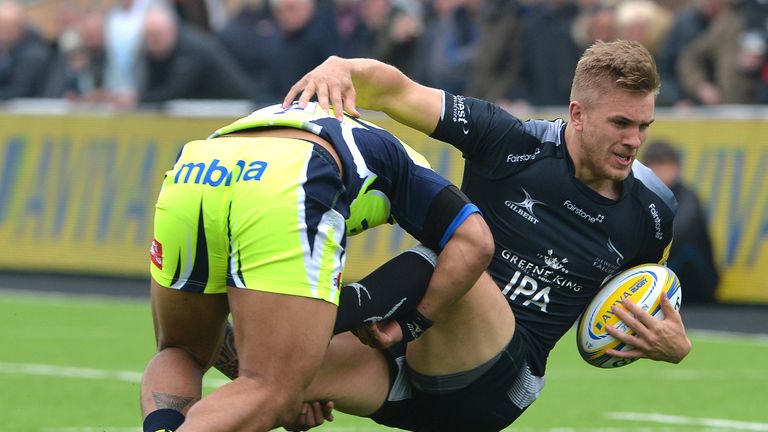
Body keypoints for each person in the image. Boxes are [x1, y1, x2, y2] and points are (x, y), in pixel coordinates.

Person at [214, 39, 693, 432]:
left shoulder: (652, 213)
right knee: (260, 380)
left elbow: (627, 309)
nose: (634, 140)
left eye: (644, 126)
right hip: (410, 365)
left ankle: (293, 313)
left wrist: (671, 344)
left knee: (460, 246)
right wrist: (341, 69)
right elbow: (397, 92)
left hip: (497, 385)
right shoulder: (513, 142)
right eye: (622, 123)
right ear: (579, 113)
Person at [140, 102, 493, 431]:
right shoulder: (410, 166)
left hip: (199, 164)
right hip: (291, 172)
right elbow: (475, 241)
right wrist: (411, 324)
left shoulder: (325, 123)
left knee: (179, 349)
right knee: (272, 390)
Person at [642, 140, 719, 303]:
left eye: (665, 166)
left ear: (676, 168)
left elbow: (677, 234)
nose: (660, 173)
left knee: (678, 246)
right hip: (660, 276)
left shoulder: (688, 198)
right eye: (654, 167)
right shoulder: (639, 195)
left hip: (698, 284)